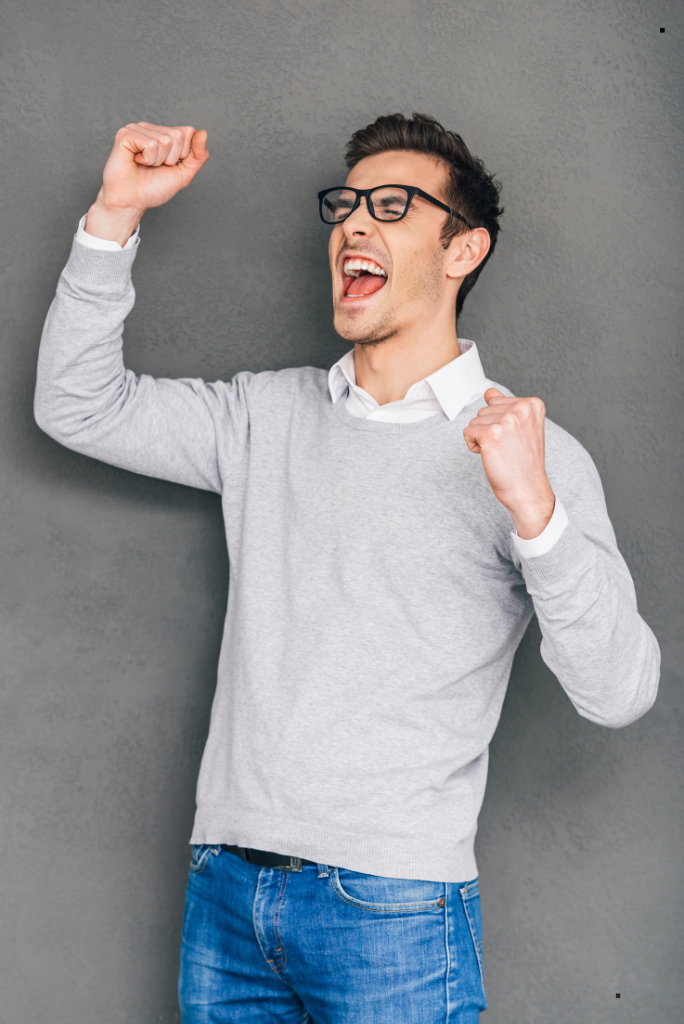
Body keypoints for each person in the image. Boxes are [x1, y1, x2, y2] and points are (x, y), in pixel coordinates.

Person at [34, 113, 660, 1023]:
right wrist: (115, 211)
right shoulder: (265, 417)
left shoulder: (532, 453)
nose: (354, 225)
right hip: (227, 887)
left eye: (393, 206)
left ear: (462, 250)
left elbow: (621, 690)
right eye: (347, 205)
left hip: (396, 910)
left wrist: (538, 514)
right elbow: (77, 406)